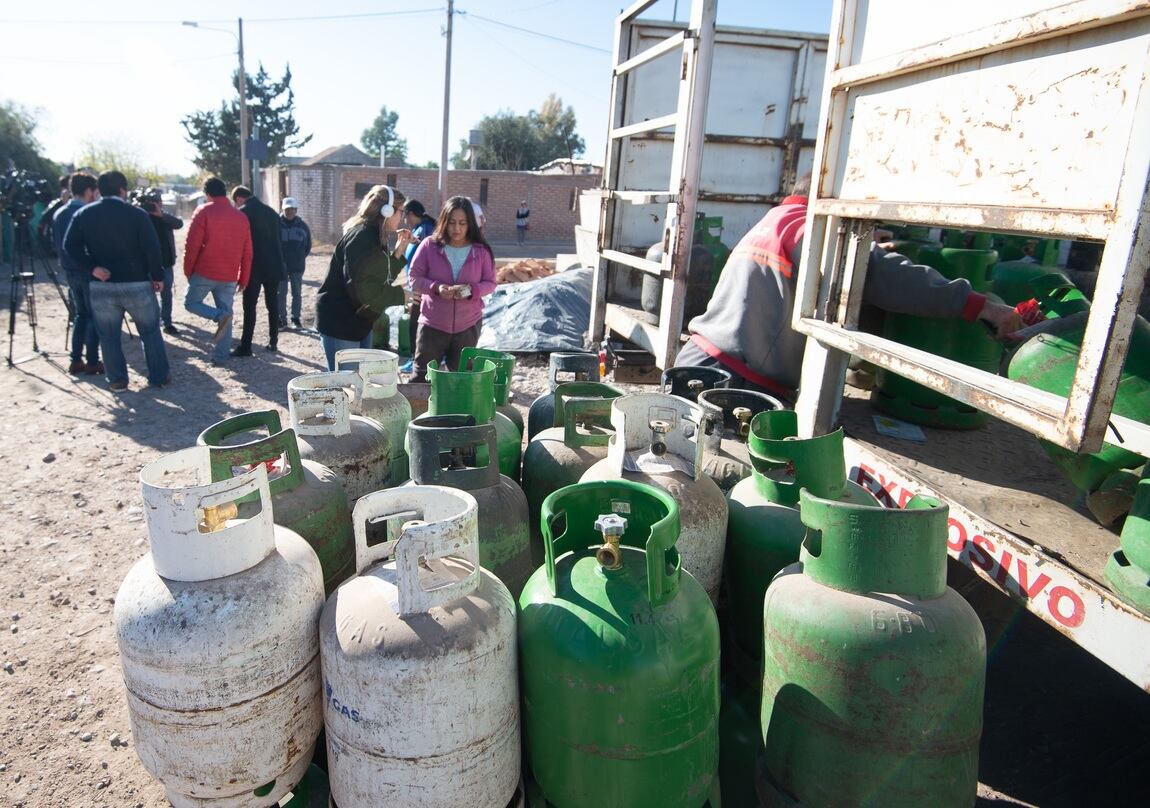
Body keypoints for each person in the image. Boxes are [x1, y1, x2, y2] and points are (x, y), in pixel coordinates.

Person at [675, 177, 1023, 399]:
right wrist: (979, 305)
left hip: (703, 363)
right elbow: (881, 275)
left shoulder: (776, 221)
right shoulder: (809, 229)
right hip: (732, 383)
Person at [63, 170, 169, 391]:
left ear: (99, 190)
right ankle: (158, 377)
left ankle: (118, 380)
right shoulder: (138, 214)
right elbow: (152, 248)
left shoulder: (84, 215)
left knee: (109, 337)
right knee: (150, 332)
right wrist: (157, 276)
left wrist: (92, 267)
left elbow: (69, 246)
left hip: (102, 286)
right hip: (137, 283)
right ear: (123, 190)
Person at [315, 184, 411, 371]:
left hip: (358, 320)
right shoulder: (362, 237)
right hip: (340, 321)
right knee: (347, 387)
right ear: (387, 210)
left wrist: (399, 250)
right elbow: (363, 291)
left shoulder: (376, 236)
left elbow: (380, 279)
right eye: (401, 211)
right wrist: (400, 295)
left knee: (359, 383)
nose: (402, 217)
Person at [407, 196, 497, 382]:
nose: (457, 229)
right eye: (452, 222)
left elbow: (490, 283)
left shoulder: (481, 251)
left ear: (471, 224)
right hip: (432, 326)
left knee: (461, 381)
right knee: (423, 378)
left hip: (468, 327)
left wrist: (471, 290)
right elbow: (414, 278)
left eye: (462, 223)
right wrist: (436, 288)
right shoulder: (429, 246)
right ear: (444, 222)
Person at [183, 177, 251, 365]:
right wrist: (243, 277)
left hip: (205, 271)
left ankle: (218, 316)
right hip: (229, 274)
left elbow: (192, 245)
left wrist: (188, 271)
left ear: (207, 193)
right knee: (226, 311)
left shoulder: (204, 211)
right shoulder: (240, 216)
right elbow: (247, 251)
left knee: (190, 303)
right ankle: (221, 357)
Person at [53, 172, 101, 375]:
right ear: (89, 191)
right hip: (88, 271)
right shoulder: (87, 214)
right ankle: (92, 361)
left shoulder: (59, 213)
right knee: (92, 316)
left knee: (80, 315)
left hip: (69, 272)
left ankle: (75, 359)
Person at [230, 186, 286, 355]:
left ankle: (246, 346)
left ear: (239, 199)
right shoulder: (272, 212)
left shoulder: (243, 213)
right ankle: (273, 342)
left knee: (250, 307)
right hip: (274, 265)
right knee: (272, 305)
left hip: (253, 267)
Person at [397, 199, 437, 372]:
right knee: (415, 324)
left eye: (405, 215)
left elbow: (430, 260)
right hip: (416, 286)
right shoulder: (420, 229)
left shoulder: (427, 231)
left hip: (422, 288)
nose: (405, 219)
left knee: (416, 325)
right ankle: (418, 359)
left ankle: (416, 361)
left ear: (411, 214)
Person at [137, 188, 183, 336]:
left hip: (165, 262)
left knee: (166, 294)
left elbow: (179, 224)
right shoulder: (140, 217)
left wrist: (160, 215)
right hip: (145, 263)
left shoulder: (164, 217)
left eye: (157, 202)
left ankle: (167, 322)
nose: (155, 205)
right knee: (148, 295)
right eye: (152, 203)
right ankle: (152, 322)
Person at [277, 197, 311, 330]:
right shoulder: (276, 224)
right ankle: (281, 319)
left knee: (296, 293)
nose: (289, 212)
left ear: (296, 210)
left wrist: (300, 257)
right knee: (281, 293)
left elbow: (307, 246)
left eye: (292, 209)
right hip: (281, 266)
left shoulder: (303, 226)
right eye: (287, 209)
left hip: (297, 266)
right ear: (283, 209)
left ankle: (295, 318)